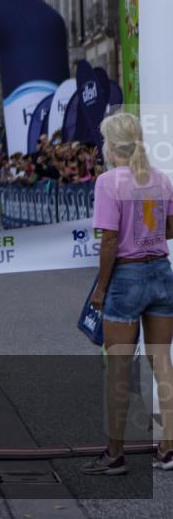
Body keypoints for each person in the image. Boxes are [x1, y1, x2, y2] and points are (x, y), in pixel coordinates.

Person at [81, 113, 173, 475]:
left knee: (118, 368)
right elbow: (169, 228)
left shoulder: (108, 182)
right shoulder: (161, 180)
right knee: (162, 363)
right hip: (161, 273)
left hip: (126, 276)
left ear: (110, 144)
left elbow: (108, 239)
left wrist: (101, 288)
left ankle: (114, 454)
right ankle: (168, 448)